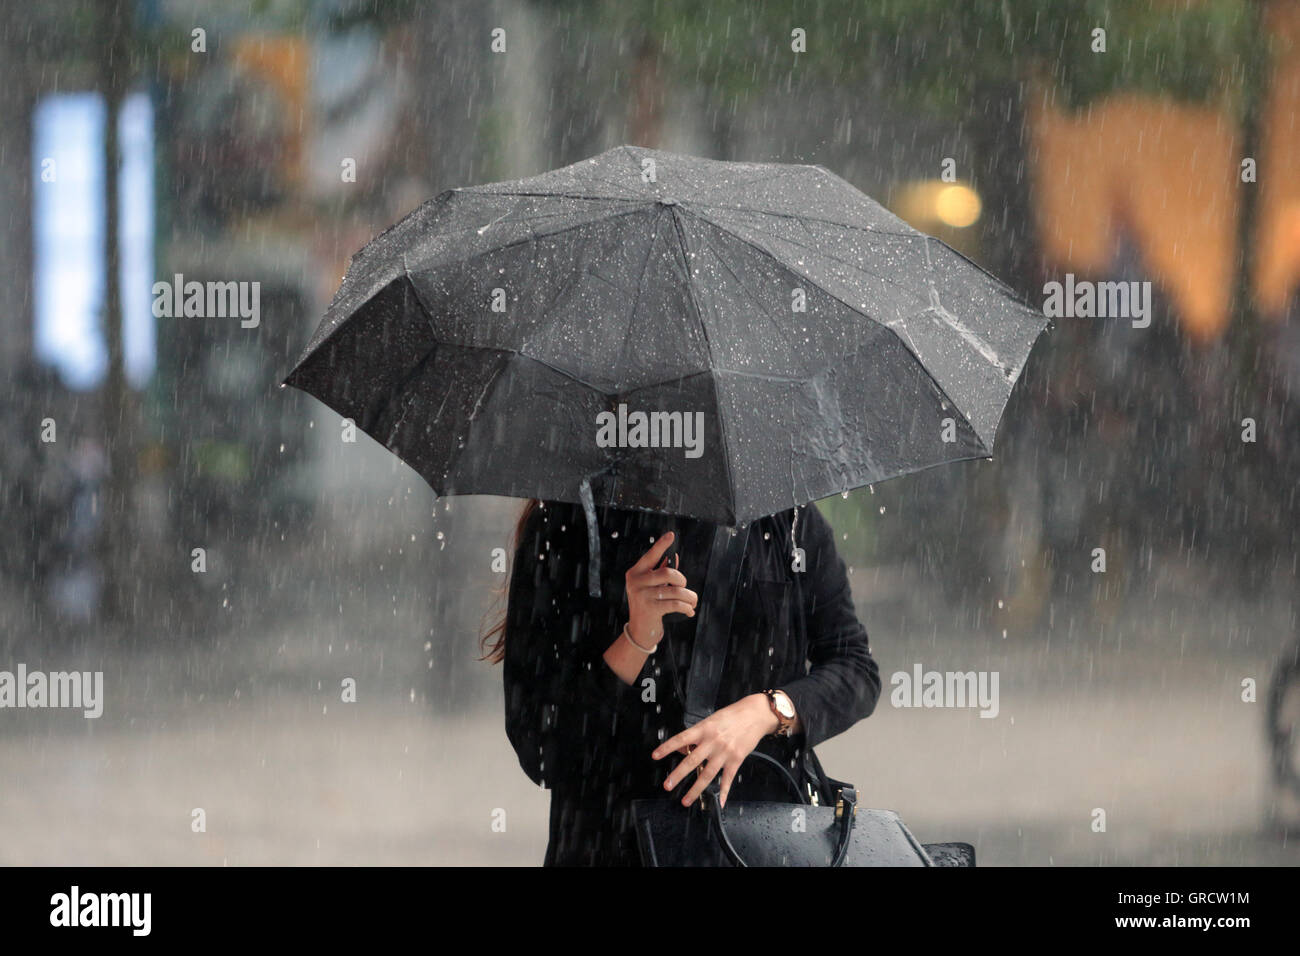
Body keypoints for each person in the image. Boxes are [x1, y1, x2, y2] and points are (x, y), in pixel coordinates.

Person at [480, 497, 881, 866]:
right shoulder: (568, 520)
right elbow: (541, 748)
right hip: (610, 844)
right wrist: (636, 638)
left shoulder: (784, 520)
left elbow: (854, 668)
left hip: (762, 843)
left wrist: (766, 711)